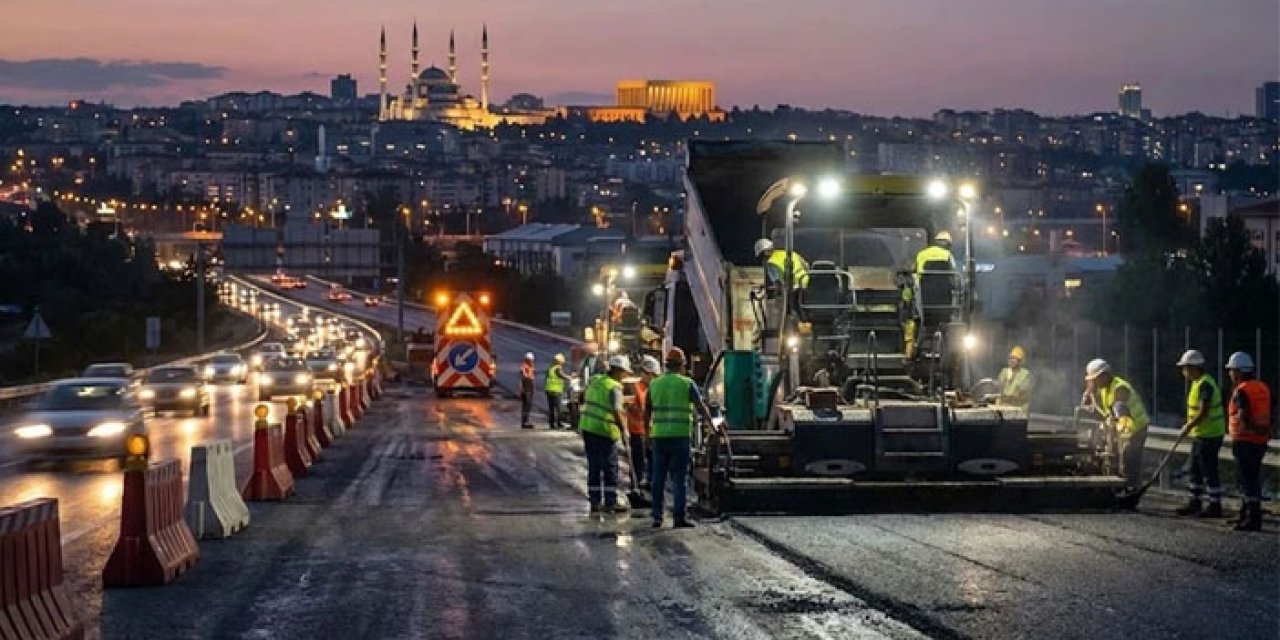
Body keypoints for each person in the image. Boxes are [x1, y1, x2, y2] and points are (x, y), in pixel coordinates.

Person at [645, 347, 714, 529]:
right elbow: (701, 407)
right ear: (682, 365)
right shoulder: (687, 383)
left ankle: (657, 518)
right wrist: (712, 427)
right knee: (679, 479)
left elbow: (647, 412)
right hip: (680, 438)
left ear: (666, 365)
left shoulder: (654, 384)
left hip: (659, 437)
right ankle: (679, 518)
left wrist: (647, 434)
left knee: (658, 479)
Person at [1173, 350, 1227, 518]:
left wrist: (1188, 426)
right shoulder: (1197, 383)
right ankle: (1194, 502)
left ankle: (1215, 505)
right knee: (1195, 469)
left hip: (1210, 435)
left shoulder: (1205, 384)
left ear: (1193, 368)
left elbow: (1203, 411)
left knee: (1209, 469)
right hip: (1201, 434)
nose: (1183, 372)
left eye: (1185, 368)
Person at [1083, 358, 1150, 490]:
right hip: (1123, 429)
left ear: (1104, 376)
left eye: (1095, 379)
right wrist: (1088, 392)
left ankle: (1131, 488)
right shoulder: (1104, 388)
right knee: (1114, 458)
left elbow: (1120, 412)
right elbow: (1096, 408)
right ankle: (1119, 486)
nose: (1094, 382)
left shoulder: (1119, 388)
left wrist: (1116, 432)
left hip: (1135, 429)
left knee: (1129, 459)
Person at [579, 355, 632, 514]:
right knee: (610, 466)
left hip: (588, 428)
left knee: (594, 466)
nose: (625, 376)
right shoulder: (614, 387)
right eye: (625, 373)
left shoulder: (596, 380)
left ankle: (594, 501)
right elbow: (617, 411)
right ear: (619, 371)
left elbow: (582, 397)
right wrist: (624, 431)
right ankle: (610, 501)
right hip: (604, 430)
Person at [1225, 352, 1270, 531]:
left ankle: (1252, 518)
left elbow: (1243, 414)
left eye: (1231, 371)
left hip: (1245, 439)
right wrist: (1262, 430)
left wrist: (1249, 426)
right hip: (1260, 440)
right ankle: (1246, 514)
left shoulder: (1241, 390)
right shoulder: (1262, 387)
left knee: (1245, 480)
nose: (1230, 374)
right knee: (1252, 478)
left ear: (1238, 372)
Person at [904, 231, 958, 358]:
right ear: (948, 244)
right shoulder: (947, 255)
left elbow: (916, 275)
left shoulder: (922, 254)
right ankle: (943, 346)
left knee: (920, 322)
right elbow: (954, 277)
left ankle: (916, 347)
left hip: (923, 298)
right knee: (945, 323)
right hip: (944, 300)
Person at [625, 355, 662, 490]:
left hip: (651, 430)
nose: (654, 379)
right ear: (646, 373)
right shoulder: (636, 388)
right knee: (638, 460)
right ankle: (636, 483)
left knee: (653, 459)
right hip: (637, 430)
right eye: (653, 376)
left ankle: (650, 483)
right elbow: (635, 407)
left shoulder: (652, 388)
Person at [997, 346, 1034, 410]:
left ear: (1020, 361)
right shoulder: (1004, 371)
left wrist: (1007, 400)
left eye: (1015, 358)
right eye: (1011, 358)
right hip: (1003, 408)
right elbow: (998, 388)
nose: (1012, 360)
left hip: (1019, 411)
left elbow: (1023, 396)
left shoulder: (1026, 374)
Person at [544, 353, 568, 430]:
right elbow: (561, 375)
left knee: (551, 408)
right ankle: (559, 423)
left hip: (548, 390)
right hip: (556, 390)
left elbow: (547, 377)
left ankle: (551, 424)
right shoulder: (558, 368)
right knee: (558, 408)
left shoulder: (550, 368)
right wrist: (570, 377)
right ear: (560, 361)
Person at [520, 352, 536, 429]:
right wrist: (522, 389)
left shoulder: (531, 366)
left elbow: (532, 377)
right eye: (531, 360)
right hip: (526, 388)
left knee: (528, 406)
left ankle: (525, 421)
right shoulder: (524, 367)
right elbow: (523, 378)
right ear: (527, 360)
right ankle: (524, 422)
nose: (532, 361)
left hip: (530, 388)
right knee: (526, 405)